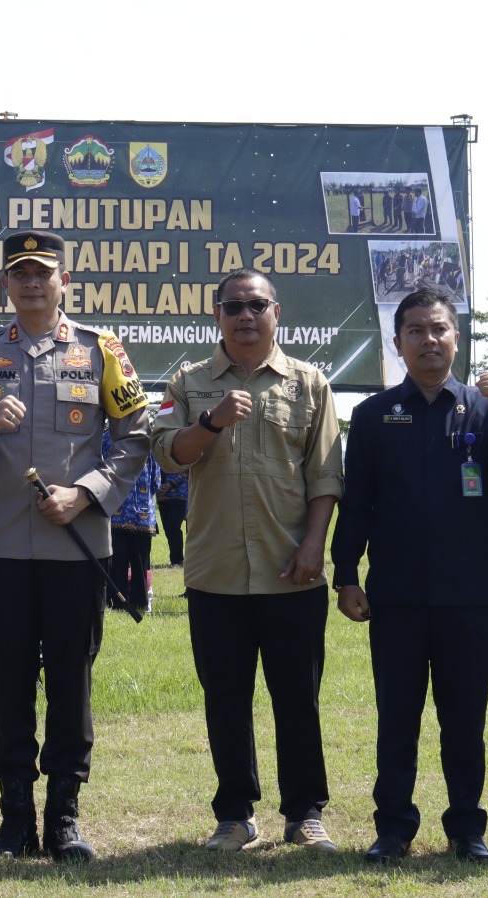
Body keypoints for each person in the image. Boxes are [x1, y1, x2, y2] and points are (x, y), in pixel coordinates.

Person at [0, 229, 151, 863]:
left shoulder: (101, 349)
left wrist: (86, 493)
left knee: (70, 680)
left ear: (64, 283)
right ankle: (14, 819)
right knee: (7, 680)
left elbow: (135, 437)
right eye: (20, 273)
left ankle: (64, 817)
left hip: (75, 544)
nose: (32, 282)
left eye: (43, 273)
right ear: (5, 283)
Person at [332, 286, 488, 863]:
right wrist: (346, 574)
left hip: (468, 597)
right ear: (397, 343)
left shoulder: (483, 407)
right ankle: (393, 828)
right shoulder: (374, 416)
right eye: (416, 330)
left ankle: (467, 828)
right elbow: (359, 504)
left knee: (464, 721)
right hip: (396, 597)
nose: (429, 339)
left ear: (457, 338)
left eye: (440, 329)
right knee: (397, 719)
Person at [151, 268, 343, 854]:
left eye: (255, 305)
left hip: (292, 573)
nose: (244, 315)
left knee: (297, 699)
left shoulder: (310, 384)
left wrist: (315, 545)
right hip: (216, 573)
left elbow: (326, 476)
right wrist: (210, 423)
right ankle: (234, 814)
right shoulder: (189, 382)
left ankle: (305, 812)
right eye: (232, 305)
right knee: (225, 698)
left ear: (275, 312)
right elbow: (168, 456)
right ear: (217, 315)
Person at [106, 427, 159, 613]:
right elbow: (155, 481)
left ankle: (118, 602)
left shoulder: (107, 438)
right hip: (143, 513)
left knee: (117, 562)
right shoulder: (148, 442)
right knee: (140, 562)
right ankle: (141, 602)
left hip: (116, 511)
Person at [156, 468, 188, 567]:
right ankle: (175, 560)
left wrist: (171, 483)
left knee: (173, 526)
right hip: (163, 495)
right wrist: (157, 485)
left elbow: (187, 470)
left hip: (180, 494)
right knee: (167, 529)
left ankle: (178, 560)